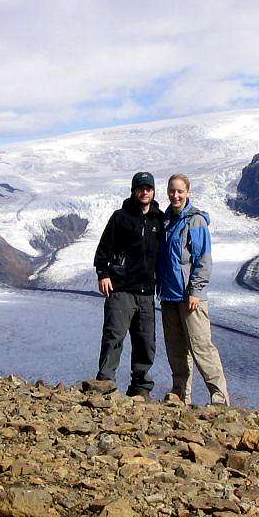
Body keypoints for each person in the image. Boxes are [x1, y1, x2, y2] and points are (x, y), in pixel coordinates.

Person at [157, 173, 229, 405]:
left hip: (190, 297)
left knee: (201, 347)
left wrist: (196, 291)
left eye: (180, 191)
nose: (175, 195)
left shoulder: (195, 221)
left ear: (188, 192)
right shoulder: (165, 220)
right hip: (169, 296)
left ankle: (219, 397)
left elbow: (203, 259)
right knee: (176, 350)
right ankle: (180, 395)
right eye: (172, 191)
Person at [93, 172, 164, 397]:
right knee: (114, 336)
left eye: (148, 188)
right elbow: (104, 247)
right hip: (121, 288)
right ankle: (105, 383)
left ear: (153, 191)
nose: (144, 192)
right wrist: (103, 273)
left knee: (145, 340)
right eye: (140, 188)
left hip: (146, 292)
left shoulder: (159, 219)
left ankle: (140, 388)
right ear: (133, 191)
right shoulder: (120, 217)